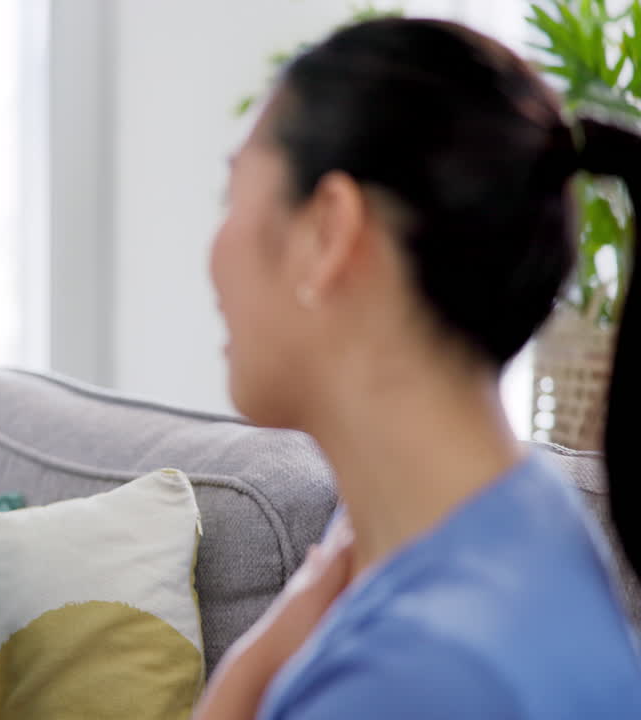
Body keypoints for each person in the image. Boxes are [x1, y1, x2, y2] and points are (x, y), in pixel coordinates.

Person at [193, 18, 641, 719]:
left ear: (328, 232)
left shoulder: (419, 678)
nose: (212, 258)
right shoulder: (526, 518)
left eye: (232, 194)